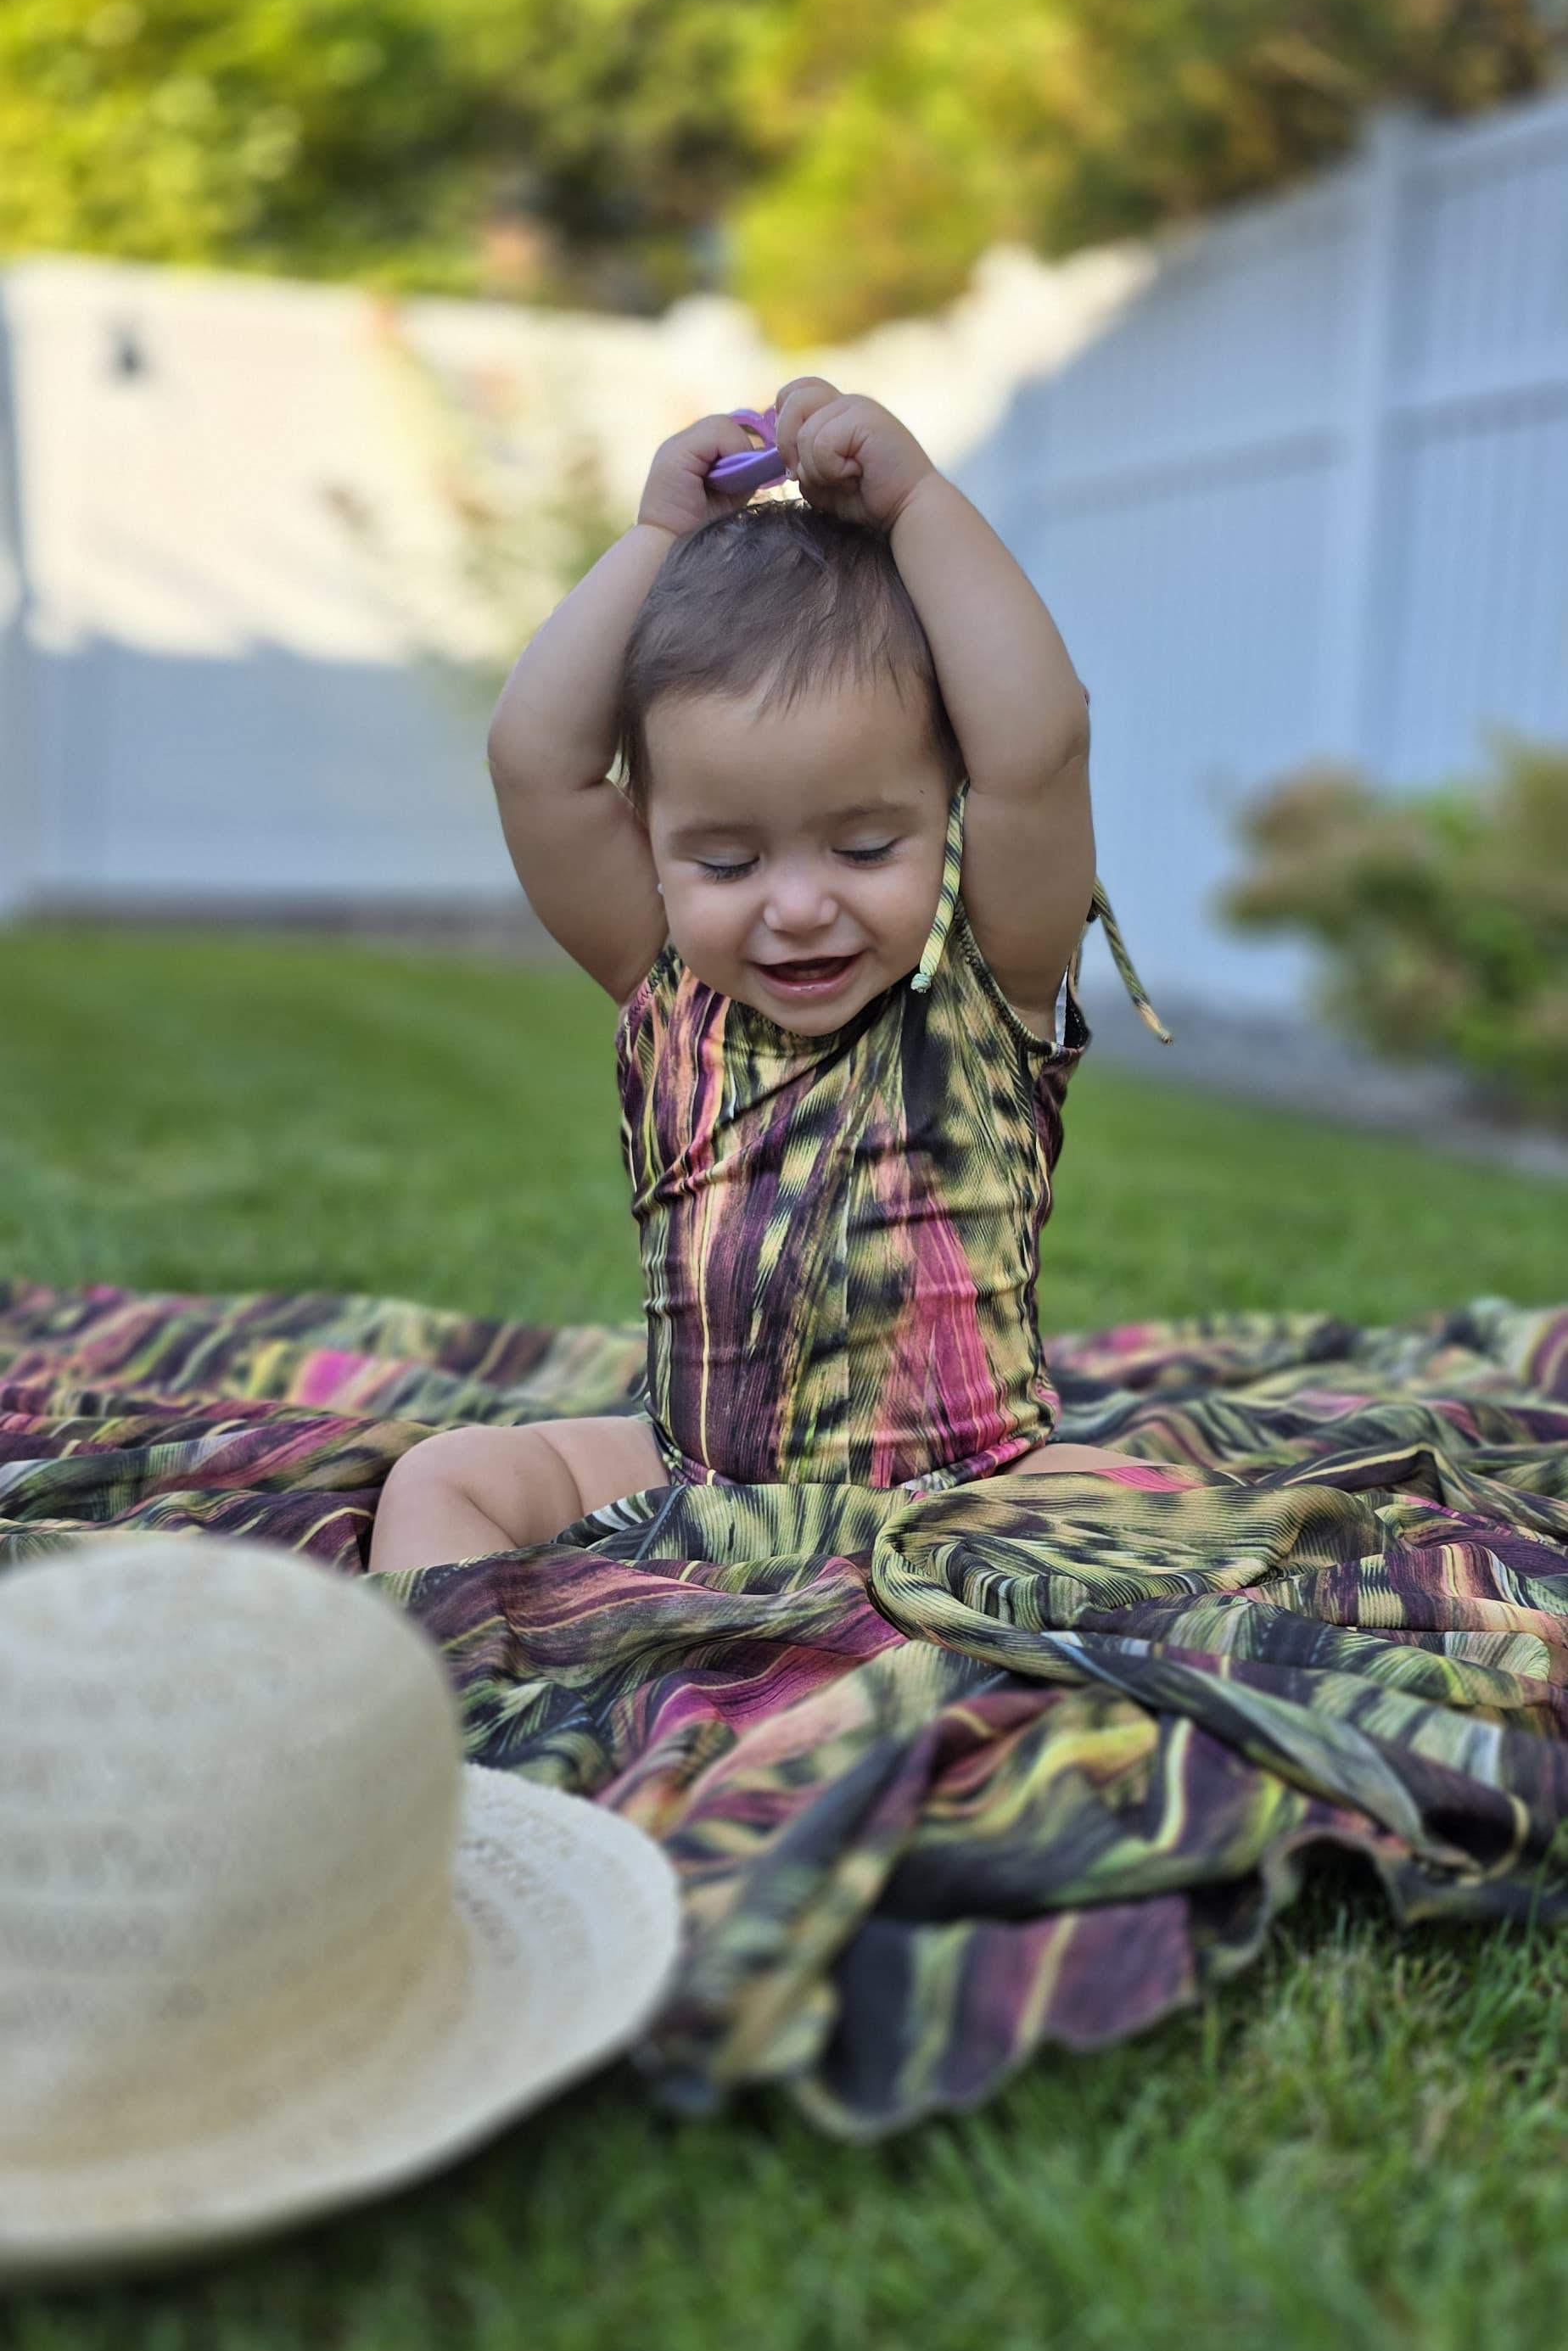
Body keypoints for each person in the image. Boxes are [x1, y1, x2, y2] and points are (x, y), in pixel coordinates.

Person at [367, 376, 1168, 1575]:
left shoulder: (988, 971)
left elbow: (1038, 743)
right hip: (696, 1474)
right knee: (444, 1480)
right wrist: (656, 543)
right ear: (653, 844)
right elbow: (535, 764)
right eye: (729, 859)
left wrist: (918, 503)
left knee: (1182, 1518)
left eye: (863, 846)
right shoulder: (665, 984)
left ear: (945, 820)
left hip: (978, 1486)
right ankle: (436, 1720)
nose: (798, 905)